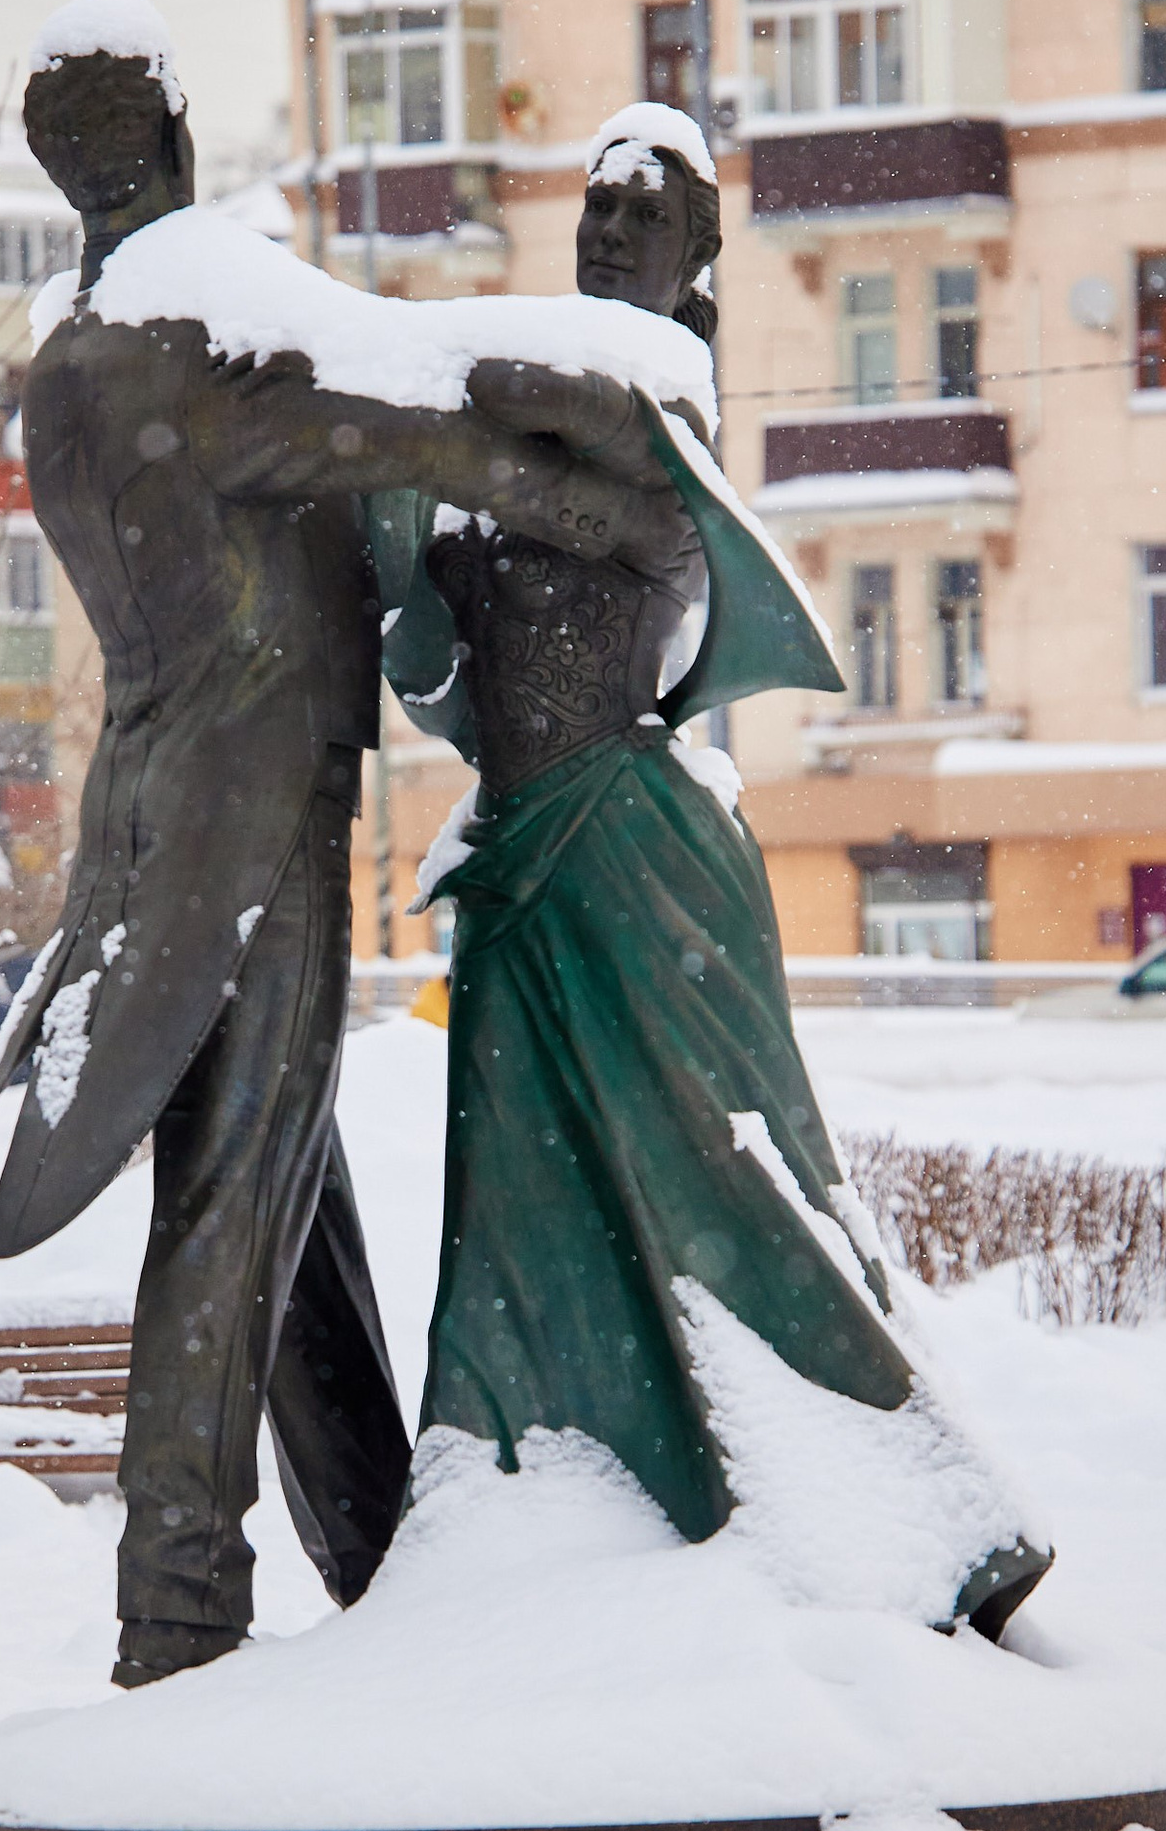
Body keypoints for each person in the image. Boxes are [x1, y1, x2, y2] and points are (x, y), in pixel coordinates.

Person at [0, 0, 688, 1687]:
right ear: (179, 142)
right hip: (253, 823)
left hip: (171, 824)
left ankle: (380, 1563)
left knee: (286, 1212)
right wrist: (628, 510)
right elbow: (431, 422)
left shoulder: (80, 355)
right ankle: (179, 1616)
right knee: (230, 1213)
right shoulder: (189, 339)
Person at [407, 103, 1050, 1638]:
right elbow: (435, 612)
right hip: (520, 869)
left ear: (698, 254)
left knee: (727, 1195)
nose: (611, 225)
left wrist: (382, 386)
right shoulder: (504, 421)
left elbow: (532, 440)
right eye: (598, 202)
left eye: (648, 209)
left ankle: (907, 1515)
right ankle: (519, 1503)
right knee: (514, 1208)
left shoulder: (659, 389)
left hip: (638, 854)